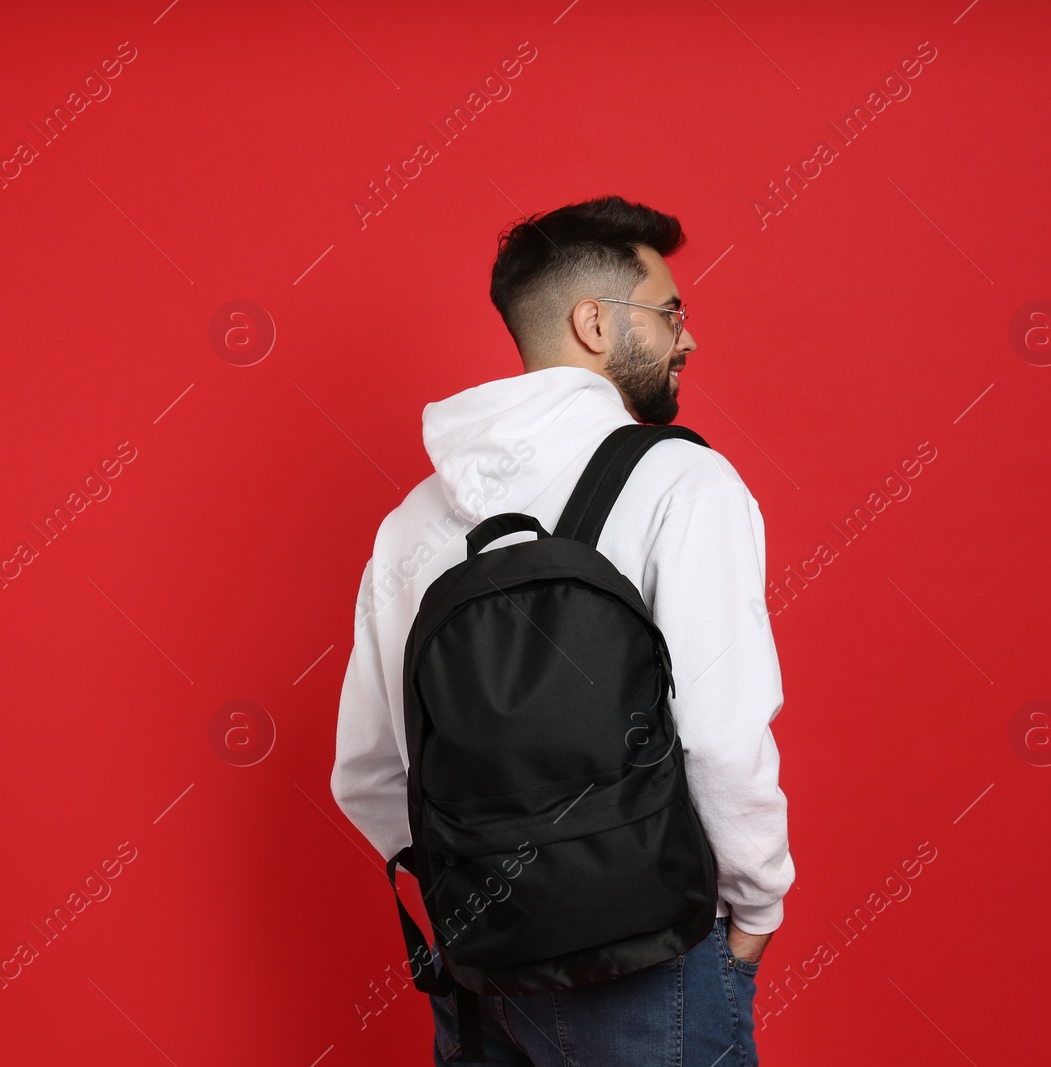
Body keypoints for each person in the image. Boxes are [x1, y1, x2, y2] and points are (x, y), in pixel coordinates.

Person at [330, 195, 795, 1065]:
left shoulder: (412, 522)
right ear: (594, 322)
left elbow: (367, 768)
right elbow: (723, 741)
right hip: (650, 957)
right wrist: (756, 904)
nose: (688, 339)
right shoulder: (684, 485)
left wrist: (487, 897)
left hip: (479, 971)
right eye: (670, 313)